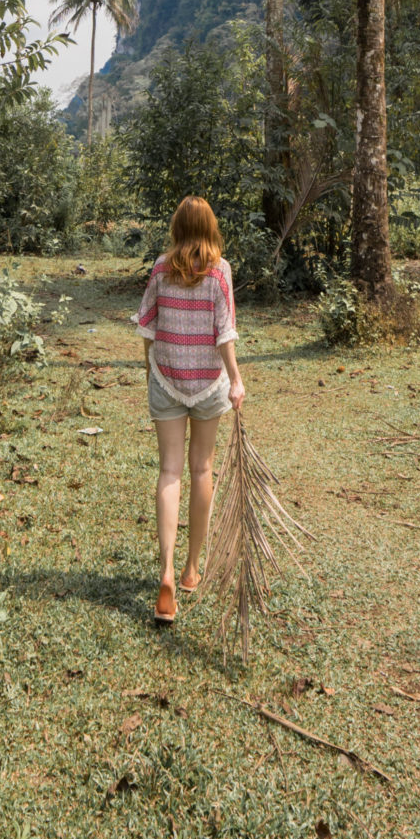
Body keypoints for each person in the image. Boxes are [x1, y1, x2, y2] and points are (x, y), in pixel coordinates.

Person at [134, 195, 245, 625]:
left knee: (169, 472)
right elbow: (225, 334)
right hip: (208, 386)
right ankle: (191, 569)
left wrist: (150, 368)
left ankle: (163, 569)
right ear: (211, 228)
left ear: (178, 228)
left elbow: (145, 325)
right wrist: (235, 379)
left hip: (166, 379)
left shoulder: (161, 268)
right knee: (202, 471)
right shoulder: (221, 272)